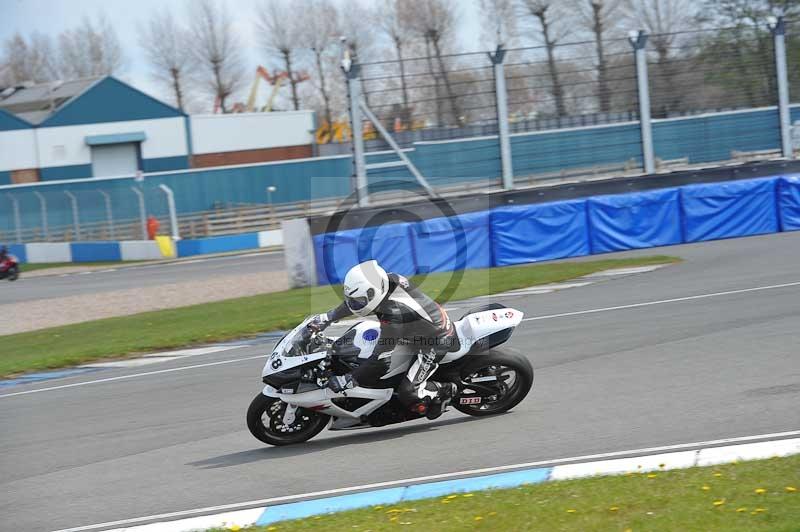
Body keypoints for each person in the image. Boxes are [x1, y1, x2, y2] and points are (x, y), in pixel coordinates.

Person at [308, 260, 459, 420]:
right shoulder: (386, 280)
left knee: (408, 393)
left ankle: (444, 390)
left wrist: (349, 379)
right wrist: (328, 317)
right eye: (352, 299)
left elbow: (381, 361)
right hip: (417, 328)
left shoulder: (393, 315)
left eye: (358, 301)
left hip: (436, 340)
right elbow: (354, 305)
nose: (354, 304)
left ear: (374, 293)